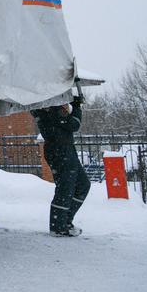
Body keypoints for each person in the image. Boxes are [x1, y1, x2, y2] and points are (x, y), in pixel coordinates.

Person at [31, 98, 89, 236]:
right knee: (65, 188)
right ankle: (58, 226)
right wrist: (76, 106)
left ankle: (65, 220)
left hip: (66, 150)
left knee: (82, 185)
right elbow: (75, 124)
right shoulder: (50, 112)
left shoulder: (51, 112)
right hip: (60, 152)